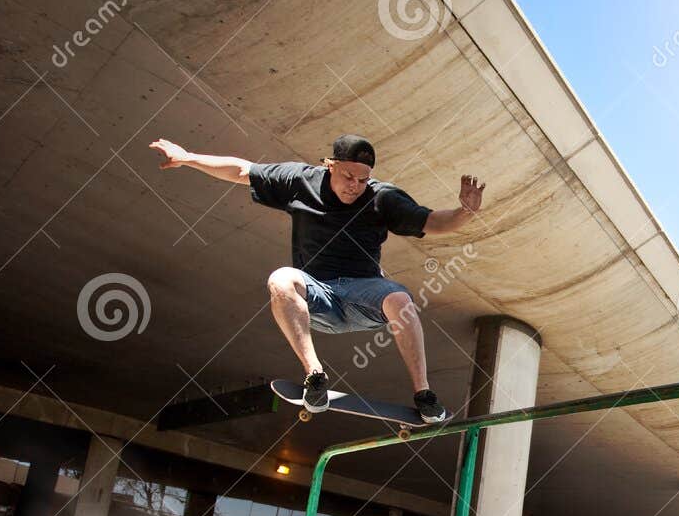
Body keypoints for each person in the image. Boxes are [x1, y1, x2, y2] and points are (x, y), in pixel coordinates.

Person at [147, 133, 485, 422]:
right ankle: (315, 375)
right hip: (317, 295)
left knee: (401, 300)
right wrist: (188, 157)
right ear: (330, 165)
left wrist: (463, 214)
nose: (355, 187)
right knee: (281, 279)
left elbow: (433, 223)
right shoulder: (299, 180)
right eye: (348, 177)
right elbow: (242, 170)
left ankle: (425, 395)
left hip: (362, 294)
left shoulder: (383, 198)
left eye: (363, 180)